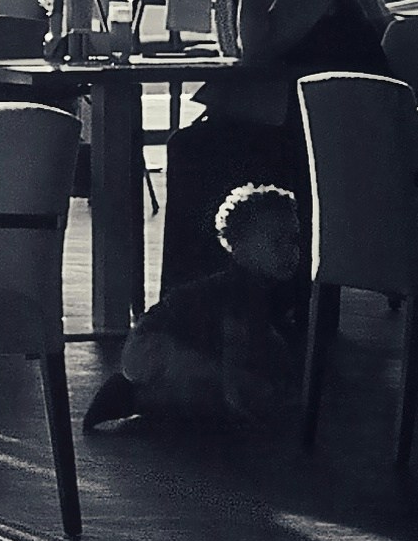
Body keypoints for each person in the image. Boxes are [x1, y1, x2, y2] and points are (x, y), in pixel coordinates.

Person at [155, 0, 390, 293]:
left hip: (335, 124)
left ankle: (211, 292)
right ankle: (193, 297)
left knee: (198, 152)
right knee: (190, 148)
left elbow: (259, 53)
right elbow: (235, 46)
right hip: (290, 114)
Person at [82, 185, 307, 431]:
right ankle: (132, 397)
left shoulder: (260, 286)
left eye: (293, 239)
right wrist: (238, 401)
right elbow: (234, 348)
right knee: (223, 387)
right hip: (154, 343)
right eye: (276, 241)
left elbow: (263, 339)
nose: (291, 251)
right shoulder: (238, 290)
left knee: (234, 385)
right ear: (239, 245)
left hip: (162, 343)